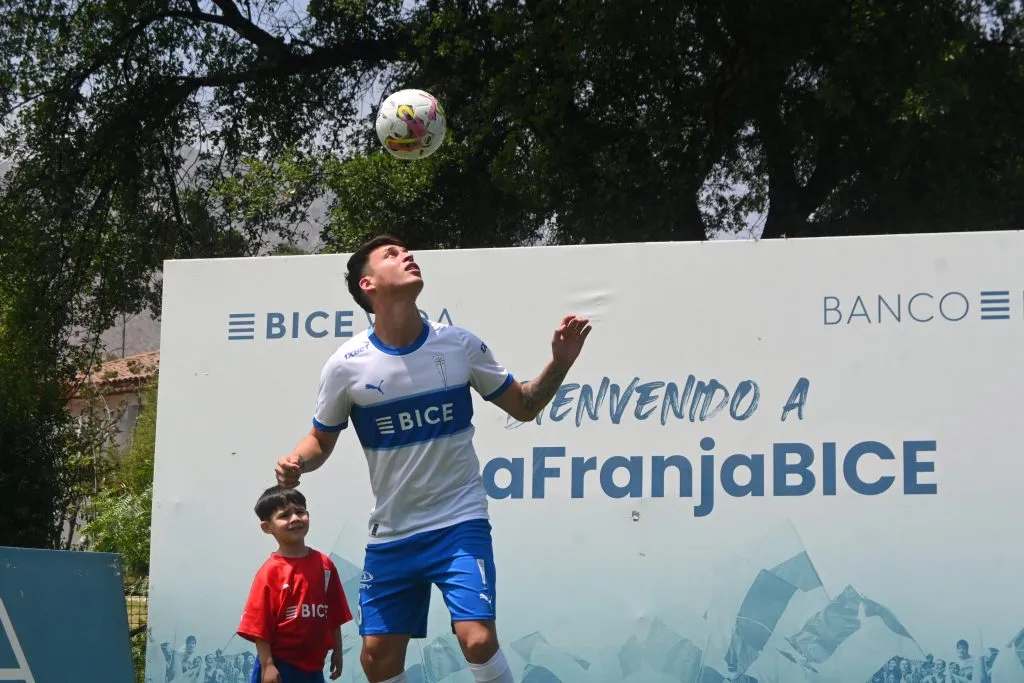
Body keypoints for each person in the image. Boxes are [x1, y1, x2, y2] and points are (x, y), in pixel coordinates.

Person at [274, 235, 592, 683]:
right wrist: (297, 461)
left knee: (478, 639)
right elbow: (320, 440)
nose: (407, 256)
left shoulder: (458, 345)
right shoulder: (346, 366)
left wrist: (560, 363)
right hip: (393, 534)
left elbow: (524, 405)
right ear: (368, 284)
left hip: (458, 522)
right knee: (377, 659)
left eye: (407, 251)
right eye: (391, 255)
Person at [237, 485, 353, 683]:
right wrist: (268, 665)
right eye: (284, 516)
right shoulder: (269, 572)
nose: (295, 519)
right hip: (282, 666)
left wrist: (338, 651)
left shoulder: (325, 565)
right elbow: (259, 625)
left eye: (300, 512)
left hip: (314, 668)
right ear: (267, 527)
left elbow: (335, 614)